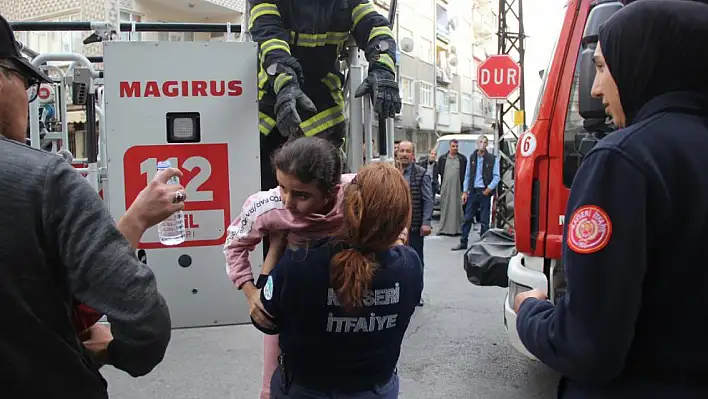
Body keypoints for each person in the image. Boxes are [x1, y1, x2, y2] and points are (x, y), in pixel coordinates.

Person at [514, 1, 708, 397]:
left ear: (644, 61)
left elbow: (586, 346)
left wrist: (531, 311)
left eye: (601, 66)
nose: (596, 88)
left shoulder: (623, 161)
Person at [0, 14, 172, 397]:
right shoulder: (45, 180)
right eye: (27, 83)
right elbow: (143, 320)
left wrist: (135, 220)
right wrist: (111, 351)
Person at [252, 162, 422, 398]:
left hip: (305, 390)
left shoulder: (300, 264)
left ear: (347, 205)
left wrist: (276, 247)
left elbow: (263, 316)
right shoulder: (410, 265)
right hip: (375, 390)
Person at [223, 137, 355, 399]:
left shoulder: (355, 193)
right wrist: (251, 294)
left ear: (332, 190)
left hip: (344, 289)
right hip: (293, 289)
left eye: (301, 195)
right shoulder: (266, 205)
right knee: (272, 380)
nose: (287, 201)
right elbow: (233, 247)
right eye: (282, 187)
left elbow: (393, 211)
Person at [248, 0, 403, 191]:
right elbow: (270, 38)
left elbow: (377, 28)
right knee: (264, 187)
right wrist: (285, 82)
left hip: (321, 101)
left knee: (322, 191)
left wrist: (383, 69)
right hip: (272, 99)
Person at [398, 140, 432, 306]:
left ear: (413, 155)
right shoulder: (392, 171)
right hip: (395, 226)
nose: (404, 154)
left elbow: (427, 199)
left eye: (407, 151)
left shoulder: (422, 173)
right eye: (401, 150)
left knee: (416, 260)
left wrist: (426, 222)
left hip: (415, 226)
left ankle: (416, 295)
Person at [453, 135, 500, 250]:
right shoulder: (472, 157)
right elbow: (468, 175)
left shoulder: (493, 158)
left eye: (484, 142)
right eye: (480, 142)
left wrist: (489, 189)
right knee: (468, 217)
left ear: (487, 144)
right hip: (473, 191)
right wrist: (465, 191)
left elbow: (496, 176)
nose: (481, 144)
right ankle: (463, 242)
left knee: (484, 220)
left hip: (484, 191)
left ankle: (483, 245)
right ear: (476, 143)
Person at [436, 139, 467, 235]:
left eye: (456, 146)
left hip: (458, 187)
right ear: (449, 147)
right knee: (445, 207)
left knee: (457, 208)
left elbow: (466, 174)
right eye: (453, 146)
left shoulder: (462, 159)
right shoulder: (443, 158)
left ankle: (457, 229)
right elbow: (438, 172)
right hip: (445, 187)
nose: (455, 148)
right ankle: (443, 229)